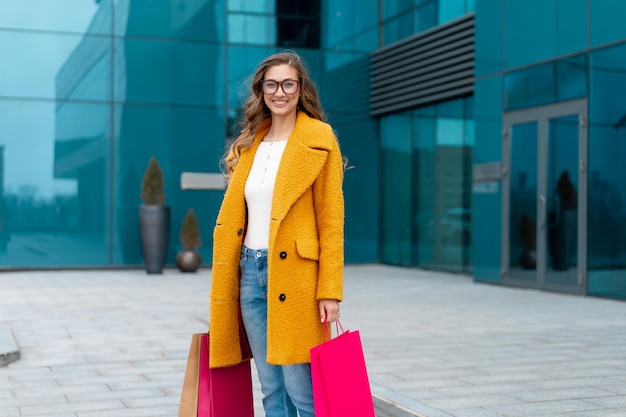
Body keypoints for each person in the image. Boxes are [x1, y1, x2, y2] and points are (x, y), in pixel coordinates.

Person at [208, 51, 345, 417]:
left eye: (288, 83)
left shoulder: (319, 138)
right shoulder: (251, 143)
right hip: (250, 273)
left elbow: (331, 221)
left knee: (303, 392)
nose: (279, 92)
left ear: (300, 89)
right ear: (261, 90)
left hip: (298, 276)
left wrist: (329, 290)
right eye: (271, 84)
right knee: (271, 390)